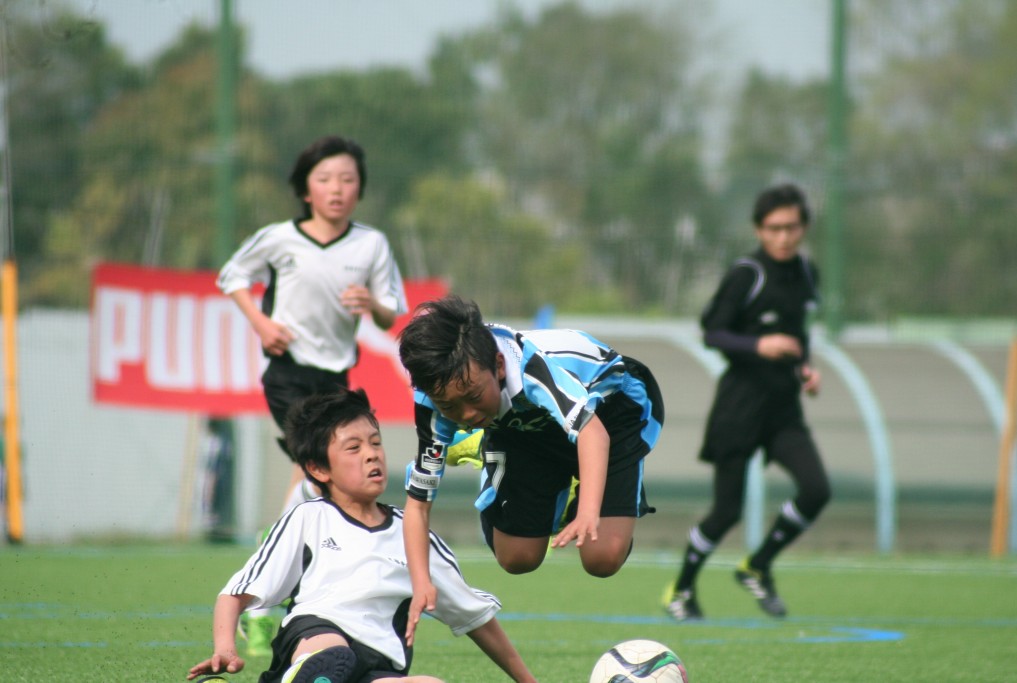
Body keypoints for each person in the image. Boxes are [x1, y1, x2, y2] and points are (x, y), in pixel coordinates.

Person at [187, 389, 538, 683]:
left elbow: (476, 619)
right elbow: (235, 593)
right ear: (318, 468)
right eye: (353, 448)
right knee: (331, 654)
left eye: (375, 442)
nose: (372, 454)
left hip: (378, 667)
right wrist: (225, 648)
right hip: (315, 637)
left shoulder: (413, 534)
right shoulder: (309, 518)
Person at [216, 135, 407, 652]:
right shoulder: (279, 239)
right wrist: (259, 322)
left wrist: (372, 303)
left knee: (317, 483)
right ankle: (265, 590)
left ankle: (273, 568)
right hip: (288, 375)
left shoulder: (371, 245)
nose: (337, 189)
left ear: (359, 188)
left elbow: (393, 313)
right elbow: (232, 276)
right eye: (325, 179)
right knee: (315, 471)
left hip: (336, 379)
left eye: (347, 179)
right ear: (305, 189)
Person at [398, 295, 664, 645]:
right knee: (517, 558)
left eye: (474, 397)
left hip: (613, 416)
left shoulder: (534, 370)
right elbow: (417, 506)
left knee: (602, 558)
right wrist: (421, 582)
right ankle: (487, 448)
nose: (464, 415)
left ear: (499, 366)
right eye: (450, 406)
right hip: (525, 428)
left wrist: (587, 511)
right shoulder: (434, 403)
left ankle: (577, 485)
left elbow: (592, 432)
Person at [662, 183, 832, 621]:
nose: (783, 237)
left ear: (804, 227)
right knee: (727, 511)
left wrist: (805, 368)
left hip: (783, 411)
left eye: (792, 227)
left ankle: (757, 565)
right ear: (759, 230)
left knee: (817, 490)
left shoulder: (808, 274)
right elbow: (712, 331)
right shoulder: (747, 274)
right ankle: (680, 591)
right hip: (739, 408)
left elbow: (799, 334)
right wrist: (760, 346)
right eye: (774, 228)